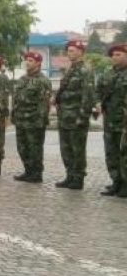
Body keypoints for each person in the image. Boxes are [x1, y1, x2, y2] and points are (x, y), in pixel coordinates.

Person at [54, 40, 95, 190]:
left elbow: (88, 95)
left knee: (77, 149)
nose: (69, 53)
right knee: (66, 148)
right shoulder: (70, 69)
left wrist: (82, 117)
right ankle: (70, 175)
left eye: (72, 50)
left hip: (76, 116)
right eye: (68, 50)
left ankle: (78, 178)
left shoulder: (85, 70)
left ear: (81, 52)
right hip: (65, 115)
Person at [12, 52, 52, 183]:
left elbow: (44, 103)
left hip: (34, 120)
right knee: (22, 147)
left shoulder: (43, 80)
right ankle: (28, 170)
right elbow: (16, 99)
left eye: (30, 60)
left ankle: (36, 173)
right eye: (26, 60)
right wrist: (14, 115)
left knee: (35, 148)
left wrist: (40, 121)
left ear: (38, 63)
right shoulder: (22, 79)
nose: (27, 63)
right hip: (21, 119)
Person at [94, 43, 127, 196]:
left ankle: (125, 185)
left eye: (118, 54)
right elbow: (97, 91)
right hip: (110, 120)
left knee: (124, 152)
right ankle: (116, 181)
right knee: (111, 152)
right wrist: (97, 102)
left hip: (124, 122)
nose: (115, 57)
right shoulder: (107, 74)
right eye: (113, 55)